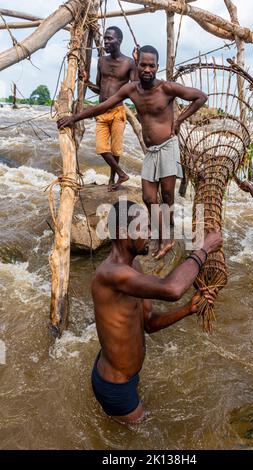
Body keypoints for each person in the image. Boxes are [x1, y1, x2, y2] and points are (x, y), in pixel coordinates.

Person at [58, 45, 208, 259]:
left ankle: (166, 235)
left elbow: (201, 97)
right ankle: (165, 236)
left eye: (151, 65)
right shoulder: (131, 89)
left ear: (157, 67)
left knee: (167, 195)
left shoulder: (167, 88)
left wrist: (179, 121)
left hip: (167, 147)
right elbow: (104, 105)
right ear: (136, 66)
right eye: (143, 65)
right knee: (148, 197)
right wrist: (75, 117)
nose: (147, 69)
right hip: (151, 151)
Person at [90, 200, 222, 425]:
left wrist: (188, 309)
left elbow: (149, 323)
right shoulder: (110, 274)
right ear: (124, 232)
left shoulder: (135, 268)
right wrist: (204, 249)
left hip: (127, 376)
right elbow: (172, 289)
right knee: (143, 435)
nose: (152, 233)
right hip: (115, 386)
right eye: (145, 227)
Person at [83, 26, 136, 191]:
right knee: (100, 147)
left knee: (116, 149)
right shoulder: (102, 61)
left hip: (118, 111)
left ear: (119, 41)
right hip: (101, 111)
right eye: (105, 38)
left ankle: (113, 179)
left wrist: (139, 62)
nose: (105, 41)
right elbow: (99, 88)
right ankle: (122, 174)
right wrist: (87, 82)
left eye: (109, 39)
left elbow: (135, 88)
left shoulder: (129, 63)